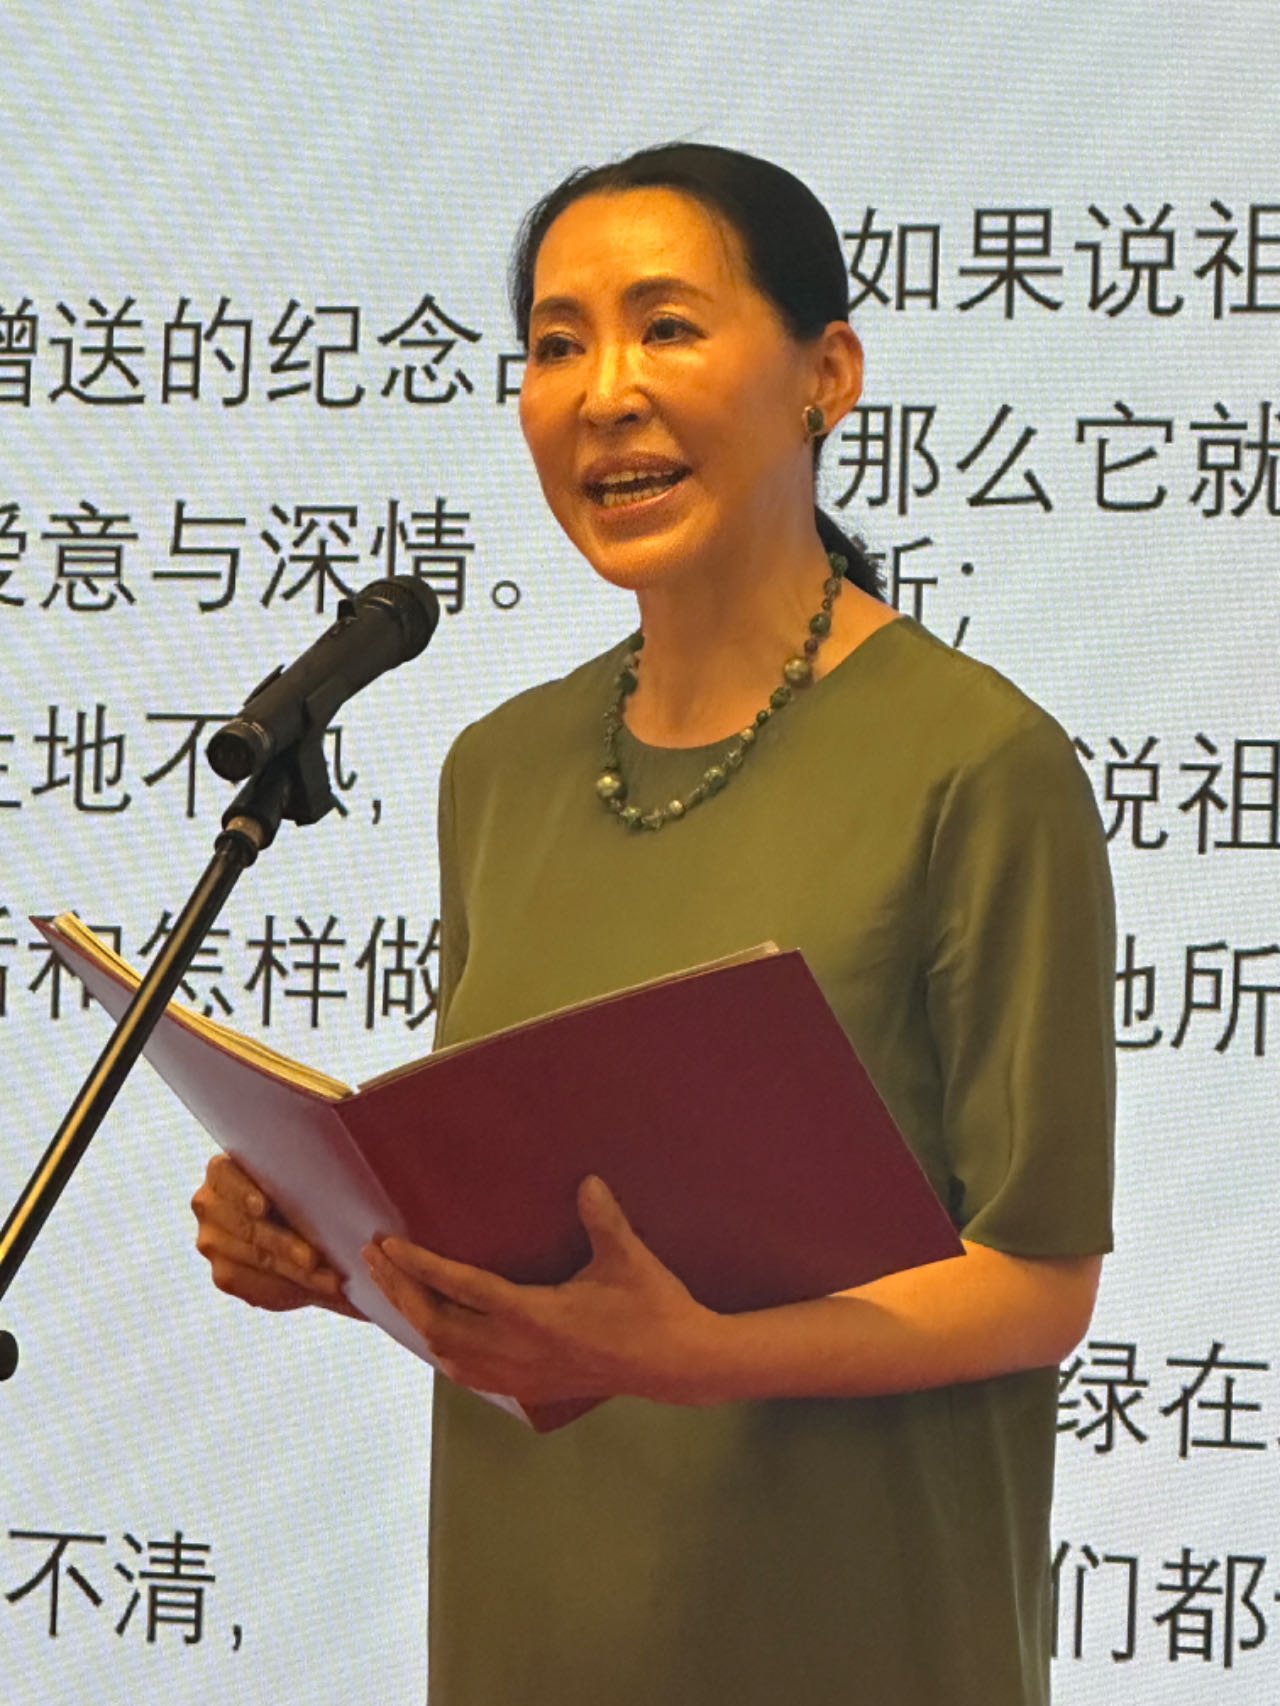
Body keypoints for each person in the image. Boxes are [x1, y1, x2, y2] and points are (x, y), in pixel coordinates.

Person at [192, 143, 1115, 1705]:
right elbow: (534, 1225)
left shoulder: (977, 762)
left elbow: (1039, 1280)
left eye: (667, 327)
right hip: (532, 1620)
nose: (603, 393)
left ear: (827, 375)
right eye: (558, 345)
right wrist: (340, 1243)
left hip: (847, 1634)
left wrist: (690, 1357)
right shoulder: (500, 768)